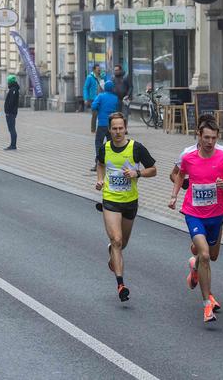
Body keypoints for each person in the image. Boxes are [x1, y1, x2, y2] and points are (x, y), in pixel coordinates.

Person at [169, 119, 223, 322]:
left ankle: (195, 264)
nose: (210, 141)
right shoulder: (188, 156)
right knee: (206, 255)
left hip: (216, 213)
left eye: (213, 138)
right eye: (206, 137)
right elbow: (179, 175)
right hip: (194, 212)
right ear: (198, 135)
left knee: (212, 256)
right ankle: (207, 303)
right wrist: (174, 196)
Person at [96, 112, 156, 302]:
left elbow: (153, 170)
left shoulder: (136, 148)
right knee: (117, 240)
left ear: (126, 128)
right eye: (114, 128)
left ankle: (113, 253)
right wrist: (100, 180)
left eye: (121, 128)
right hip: (111, 200)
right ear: (110, 130)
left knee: (123, 244)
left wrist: (137, 173)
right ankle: (121, 284)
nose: (118, 132)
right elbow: (100, 163)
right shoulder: (105, 148)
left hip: (130, 202)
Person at [90, 80, 119, 172]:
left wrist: (98, 108)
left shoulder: (101, 96)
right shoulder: (115, 98)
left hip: (102, 124)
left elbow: (94, 106)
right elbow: (118, 109)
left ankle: (98, 163)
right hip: (112, 125)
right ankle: (111, 164)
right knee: (111, 144)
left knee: (98, 143)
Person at [83, 64, 103, 133]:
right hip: (93, 98)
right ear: (94, 70)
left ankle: (101, 128)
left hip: (101, 98)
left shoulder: (101, 77)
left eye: (100, 68)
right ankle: (93, 129)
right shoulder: (90, 77)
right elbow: (85, 88)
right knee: (95, 114)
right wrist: (86, 98)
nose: (99, 70)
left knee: (102, 114)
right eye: (98, 69)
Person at [3, 74, 20, 150]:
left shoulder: (13, 90)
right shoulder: (13, 89)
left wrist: (8, 111)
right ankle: (12, 144)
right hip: (11, 112)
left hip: (11, 113)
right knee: (11, 129)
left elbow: (11, 102)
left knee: (12, 129)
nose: (7, 83)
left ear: (10, 82)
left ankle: (13, 145)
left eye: (8, 81)